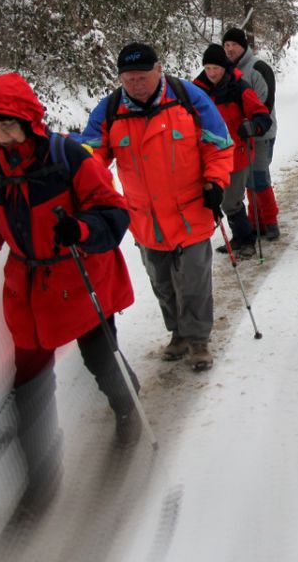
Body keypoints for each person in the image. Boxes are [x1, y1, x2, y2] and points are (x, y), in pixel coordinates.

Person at [0, 72, 141, 515]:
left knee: (100, 357)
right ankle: (38, 479)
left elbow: (112, 210)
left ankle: (127, 409)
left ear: (30, 122)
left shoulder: (69, 157)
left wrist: (81, 228)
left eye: (7, 125)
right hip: (29, 291)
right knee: (28, 387)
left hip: (80, 276)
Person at [75, 43, 233, 371]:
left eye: (142, 77)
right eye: (128, 79)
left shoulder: (188, 98)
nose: (136, 84)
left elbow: (219, 145)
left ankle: (199, 339)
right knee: (161, 281)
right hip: (145, 218)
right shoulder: (110, 110)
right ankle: (178, 333)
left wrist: (215, 182)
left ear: (158, 71)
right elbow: (91, 155)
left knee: (193, 280)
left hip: (191, 210)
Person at [193, 44, 273, 259]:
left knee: (231, 201)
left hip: (238, 153)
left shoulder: (239, 87)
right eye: (208, 68)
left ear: (224, 67)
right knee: (223, 200)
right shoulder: (197, 90)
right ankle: (239, 237)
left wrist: (253, 126)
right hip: (211, 155)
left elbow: (261, 114)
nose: (212, 73)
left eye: (216, 68)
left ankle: (246, 240)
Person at [222, 28, 282, 241]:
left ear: (243, 46)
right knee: (247, 180)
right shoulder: (227, 71)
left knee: (259, 178)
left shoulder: (257, 67)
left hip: (261, 135)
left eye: (233, 45)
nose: (229, 49)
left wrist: (254, 124)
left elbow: (266, 101)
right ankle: (256, 223)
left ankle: (270, 221)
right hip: (239, 137)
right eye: (226, 45)